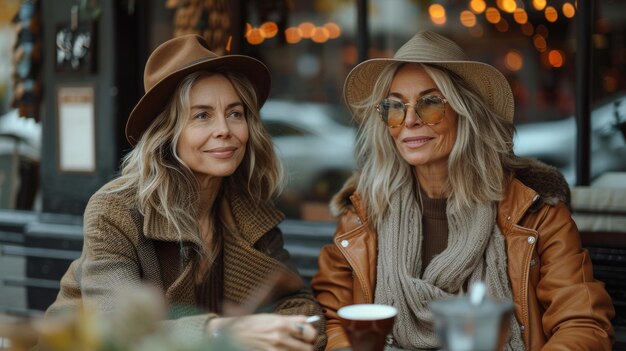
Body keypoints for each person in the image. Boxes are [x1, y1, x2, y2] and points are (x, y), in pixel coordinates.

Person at [311, 31, 614, 350]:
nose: (410, 120)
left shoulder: (536, 212)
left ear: (465, 111)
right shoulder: (364, 211)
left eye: (429, 103)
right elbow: (335, 319)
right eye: (395, 107)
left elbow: (582, 323)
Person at [45, 34, 325, 351]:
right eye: (202, 115)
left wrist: (298, 333)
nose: (225, 129)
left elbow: (296, 303)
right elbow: (118, 331)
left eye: (235, 113)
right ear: (167, 133)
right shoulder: (115, 209)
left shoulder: (246, 207)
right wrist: (225, 332)